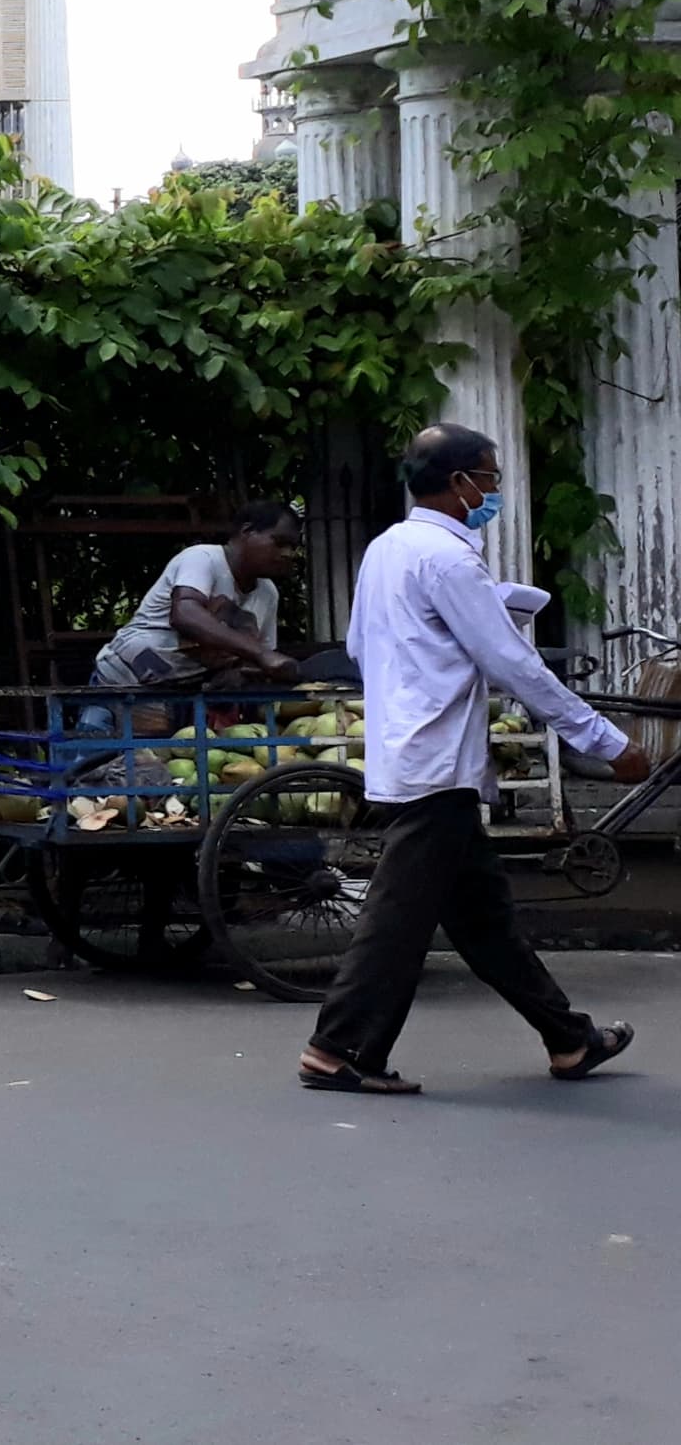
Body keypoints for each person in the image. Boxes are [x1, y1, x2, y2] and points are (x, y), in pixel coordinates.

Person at [299, 423, 653, 1097]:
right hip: (435, 762)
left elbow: (360, 643)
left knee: (484, 920)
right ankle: (336, 1047)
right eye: (489, 479)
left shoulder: (388, 549)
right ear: (460, 482)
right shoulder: (450, 560)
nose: (493, 491)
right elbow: (512, 663)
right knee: (398, 919)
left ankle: (568, 1038)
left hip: (414, 754)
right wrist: (604, 739)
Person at [93, 503, 301, 693]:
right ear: (246, 531)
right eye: (280, 543)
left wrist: (241, 672)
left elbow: (263, 662)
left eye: (292, 547)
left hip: (179, 689)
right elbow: (185, 613)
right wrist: (261, 655)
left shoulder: (268, 593)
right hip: (125, 677)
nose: (287, 554)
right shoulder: (203, 558)